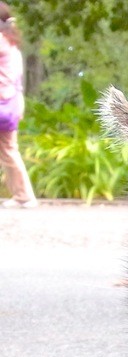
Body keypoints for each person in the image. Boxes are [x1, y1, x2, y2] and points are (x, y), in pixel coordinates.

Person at [0, 2, 36, 208]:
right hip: (11, 102)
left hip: (3, 103)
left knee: (9, 151)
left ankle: (24, 196)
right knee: (9, 151)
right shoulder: (10, 42)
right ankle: (23, 195)